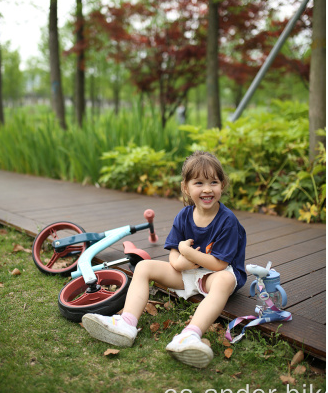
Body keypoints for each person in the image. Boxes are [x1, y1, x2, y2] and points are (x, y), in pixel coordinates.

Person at [82, 150, 247, 368]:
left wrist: (187, 253)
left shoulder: (227, 220)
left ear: (222, 185)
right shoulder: (184, 216)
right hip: (189, 272)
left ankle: (189, 336)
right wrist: (179, 262)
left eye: (213, 182)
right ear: (185, 188)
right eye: (199, 183)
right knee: (143, 267)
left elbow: (220, 264)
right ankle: (127, 323)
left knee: (224, 281)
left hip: (216, 276)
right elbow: (173, 254)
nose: (207, 189)